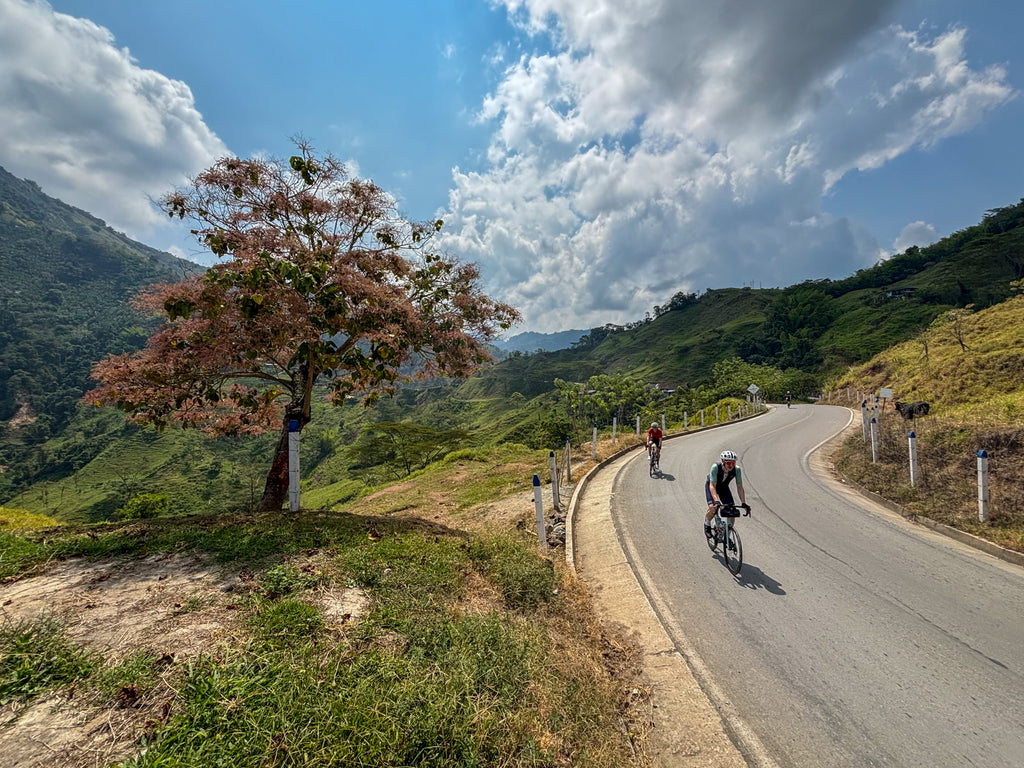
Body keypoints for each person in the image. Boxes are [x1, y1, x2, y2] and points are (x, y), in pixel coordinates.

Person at [704, 449, 749, 538]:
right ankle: (707, 523)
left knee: (731, 511)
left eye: (733, 463)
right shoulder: (715, 467)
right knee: (713, 508)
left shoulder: (737, 470)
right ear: (723, 462)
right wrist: (716, 501)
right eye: (729, 463)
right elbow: (712, 486)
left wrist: (743, 502)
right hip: (712, 485)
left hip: (724, 488)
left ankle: (726, 536)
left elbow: (739, 487)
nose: (731, 466)